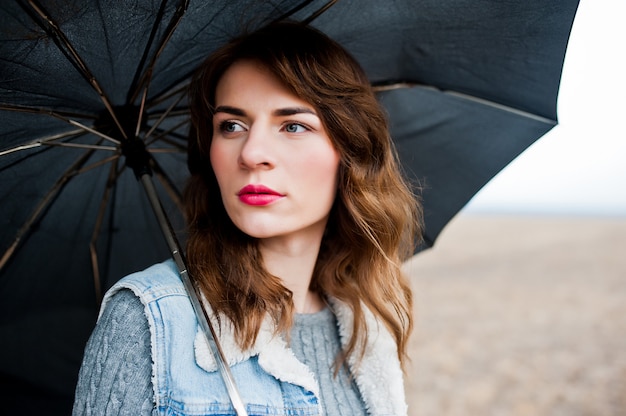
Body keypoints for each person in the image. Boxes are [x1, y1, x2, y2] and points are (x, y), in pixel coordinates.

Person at [73, 21, 422, 416]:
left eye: (293, 125)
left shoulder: (367, 330)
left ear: (351, 152)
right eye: (231, 126)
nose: (252, 153)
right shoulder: (151, 320)